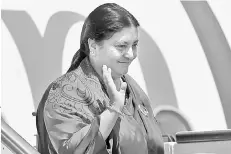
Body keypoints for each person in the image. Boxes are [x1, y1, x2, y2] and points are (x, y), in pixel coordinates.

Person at [36, 3, 164, 154]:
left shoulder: (132, 88)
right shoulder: (64, 92)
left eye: (134, 45)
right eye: (122, 46)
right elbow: (71, 151)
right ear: (93, 46)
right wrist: (114, 109)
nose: (131, 54)